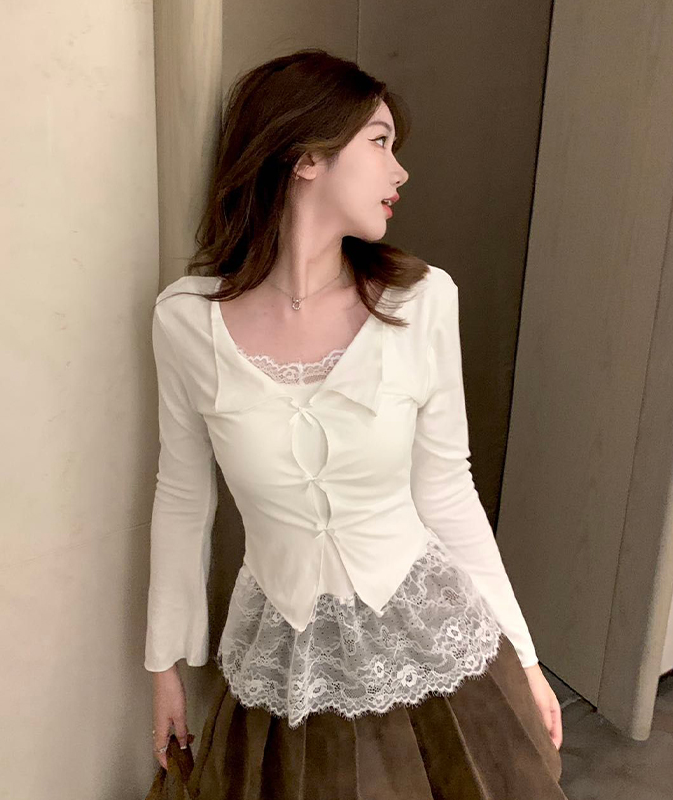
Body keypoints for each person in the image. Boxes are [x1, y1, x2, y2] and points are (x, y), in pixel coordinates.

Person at [144, 48, 567, 799]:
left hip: (433, 646)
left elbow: (447, 491)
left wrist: (526, 659)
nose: (399, 171)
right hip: (281, 667)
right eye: (379, 141)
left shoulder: (422, 301)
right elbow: (182, 497)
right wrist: (164, 669)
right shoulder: (186, 322)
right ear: (306, 157)